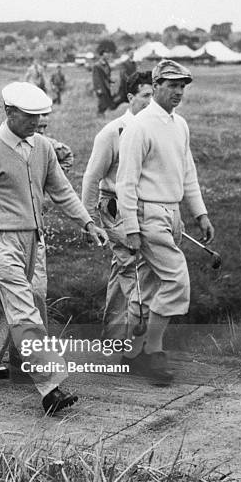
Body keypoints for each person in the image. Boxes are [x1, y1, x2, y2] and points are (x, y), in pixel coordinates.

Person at [0, 81, 108, 414]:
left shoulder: (41, 146)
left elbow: (62, 190)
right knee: (24, 308)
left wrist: (87, 223)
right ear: (10, 113)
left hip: (33, 240)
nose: (35, 123)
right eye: (29, 116)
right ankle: (51, 386)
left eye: (40, 116)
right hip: (0, 240)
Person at [116, 60, 215, 383]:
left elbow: (187, 173)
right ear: (155, 85)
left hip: (171, 214)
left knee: (146, 285)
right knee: (176, 281)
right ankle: (152, 352)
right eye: (172, 85)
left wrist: (199, 214)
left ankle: (130, 352)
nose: (178, 92)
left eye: (182, 86)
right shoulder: (140, 126)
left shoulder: (179, 124)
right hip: (147, 215)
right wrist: (130, 227)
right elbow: (125, 182)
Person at [82, 71, 153, 339]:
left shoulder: (155, 130)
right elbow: (91, 177)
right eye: (145, 95)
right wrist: (87, 219)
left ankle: (112, 338)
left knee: (123, 266)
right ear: (130, 97)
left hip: (144, 208)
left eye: (154, 96)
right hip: (114, 208)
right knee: (133, 268)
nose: (150, 101)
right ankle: (139, 343)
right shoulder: (113, 131)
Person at [92, 47, 114, 116]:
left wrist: (111, 81)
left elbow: (108, 75)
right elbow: (95, 78)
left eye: (107, 54)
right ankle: (99, 114)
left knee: (107, 101)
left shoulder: (107, 64)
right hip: (101, 86)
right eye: (106, 54)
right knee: (102, 101)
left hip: (107, 85)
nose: (107, 55)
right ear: (101, 55)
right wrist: (98, 88)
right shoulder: (97, 65)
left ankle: (102, 114)